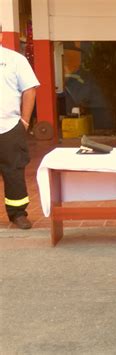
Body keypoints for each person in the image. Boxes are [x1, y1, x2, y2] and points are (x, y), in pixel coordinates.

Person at [0, 23, 39, 229]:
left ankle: (18, 214)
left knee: (14, 171)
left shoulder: (15, 60)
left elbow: (29, 90)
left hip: (9, 127)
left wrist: (24, 121)